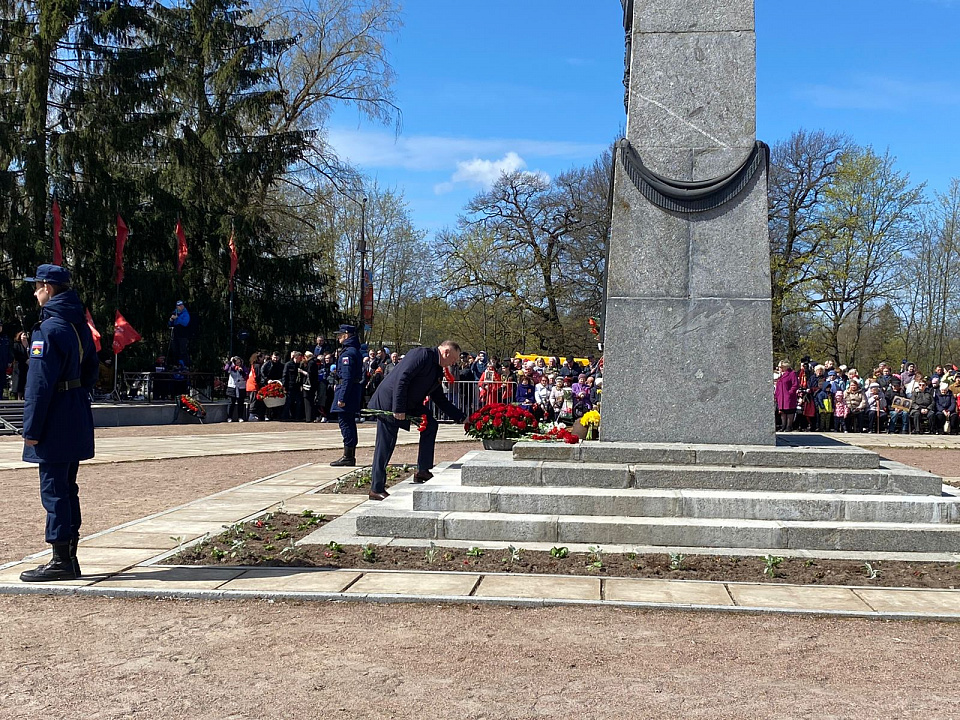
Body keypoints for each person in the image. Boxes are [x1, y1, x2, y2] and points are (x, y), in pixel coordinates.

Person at [18, 265, 98, 582]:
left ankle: (61, 561)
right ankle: (70, 557)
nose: (34, 292)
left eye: (36, 286)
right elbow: (91, 371)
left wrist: (31, 430)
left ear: (48, 288)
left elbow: (38, 387)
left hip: (53, 417)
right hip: (75, 410)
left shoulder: (49, 329)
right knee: (67, 489)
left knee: (53, 491)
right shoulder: (78, 325)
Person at [365, 340, 467, 500]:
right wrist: (397, 408)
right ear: (446, 352)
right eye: (453, 359)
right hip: (390, 402)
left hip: (409, 404)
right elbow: (402, 379)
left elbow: (439, 398)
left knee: (431, 425)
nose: (453, 363)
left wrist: (462, 418)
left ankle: (422, 470)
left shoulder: (437, 368)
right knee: (386, 444)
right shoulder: (421, 355)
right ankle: (376, 488)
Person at [330, 325, 364, 466]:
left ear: (346, 335)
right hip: (350, 390)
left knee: (346, 423)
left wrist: (342, 397)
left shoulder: (348, 354)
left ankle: (348, 456)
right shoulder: (353, 351)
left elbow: (348, 378)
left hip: (347, 392)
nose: (338, 338)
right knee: (348, 423)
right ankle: (349, 455)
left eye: (340, 335)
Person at [774, 359, 799, 432]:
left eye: (780, 367)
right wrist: (776, 395)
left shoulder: (792, 373)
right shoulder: (780, 375)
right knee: (782, 412)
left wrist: (790, 392)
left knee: (789, 411)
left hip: (788, 396)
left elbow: (795, 385)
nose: (779, 368)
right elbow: (778, 386)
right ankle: (783, 426)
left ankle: (789, 426)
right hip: (781, 396)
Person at [223, 356, 247, 422]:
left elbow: (246, 375)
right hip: (232, 387)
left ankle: (240, 417)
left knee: (241, 403)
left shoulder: (243, 367)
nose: (238, 364)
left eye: (239, 362)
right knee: (231, 403)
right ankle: (229, 417)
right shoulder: (231, 368)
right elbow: (226, 369)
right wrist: (230, 362)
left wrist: (242, 371)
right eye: (237, 362)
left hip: (241, 387)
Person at [167, 300, 191, 366]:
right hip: (175, 334)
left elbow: (185, 323)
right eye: (178, 306)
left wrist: (177, 318)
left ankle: (184, 364)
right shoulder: (175, 313)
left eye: (181, 305)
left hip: (183, 335)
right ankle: (176, 364)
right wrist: (171, 320)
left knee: (182, 350)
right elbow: (170, 324)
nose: (179, 307)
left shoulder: (185, 314)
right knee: (175, 349)